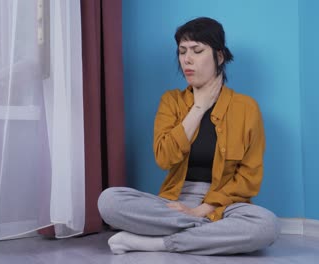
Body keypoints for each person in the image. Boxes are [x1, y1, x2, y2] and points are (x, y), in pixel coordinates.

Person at [98, 17, 279, 255]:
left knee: (267, 225)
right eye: (182, 51)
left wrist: (203, 210)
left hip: (225, 205)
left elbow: (249, 177)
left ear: (220, 57)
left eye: (197, 50)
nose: (187, 59)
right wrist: (198, 109)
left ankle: (157, 243)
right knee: (109, 200)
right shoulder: (171, 101)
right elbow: (164, 158)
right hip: (173, 205)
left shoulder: (246, 108)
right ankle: (209, 235)